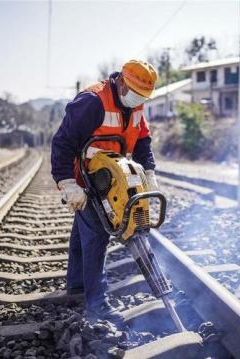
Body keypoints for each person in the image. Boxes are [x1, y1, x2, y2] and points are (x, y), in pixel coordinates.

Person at [51, 60, 159, 323]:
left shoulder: (136, 105)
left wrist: (149, 172)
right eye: (135, 93)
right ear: (121, 82)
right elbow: (62, 142)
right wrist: (67, 183)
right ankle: (96, 304)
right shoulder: (92, 101)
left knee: (83, 230)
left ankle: (77, 285)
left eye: (143, 97)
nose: (138, 101)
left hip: (112, 175)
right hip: (86, 177)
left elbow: (142, 139)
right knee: (97, 234)